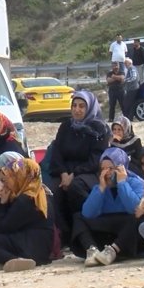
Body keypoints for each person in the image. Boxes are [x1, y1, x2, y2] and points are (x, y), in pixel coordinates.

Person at [47, 91, 111, 244]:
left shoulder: (100, 130)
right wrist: (63, 173)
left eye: (82, 106)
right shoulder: (66, 127)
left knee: (76, 187)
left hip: (89, 171)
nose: (77, 110)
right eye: (74, 106)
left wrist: (73, 175)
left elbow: (96, 159)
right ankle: (63, 235)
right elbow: (57, 152)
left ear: (89, 108)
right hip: (64, 172)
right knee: (50, 191)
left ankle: (85, 231)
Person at [73, 147, 144, 266]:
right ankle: (92, 251)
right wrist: (101, 189)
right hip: (107, 227)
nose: (106, 173)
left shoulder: (136, 182)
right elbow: (88, 213)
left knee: (139, 217)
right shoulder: (101, 185)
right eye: (103, 169)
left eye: (110, 168)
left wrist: (122, 183)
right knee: (78, 217)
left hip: (127, 232)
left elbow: (134, 209)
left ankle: (113, 251)